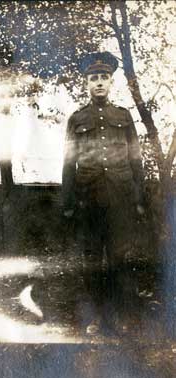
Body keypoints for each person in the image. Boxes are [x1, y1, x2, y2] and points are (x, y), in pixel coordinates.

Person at [62, 51, 145, 334]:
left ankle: (119, 317)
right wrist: (69, 201)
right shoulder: (77, 119)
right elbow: (68, 162)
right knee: (92, 259)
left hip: (120, 198)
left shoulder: (123, 116)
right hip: (89, 199)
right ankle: (96, 317)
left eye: (104, 78)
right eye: (93, 78)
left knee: (120, 259)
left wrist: (139, 198)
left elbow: (135, 159)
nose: (98, 83)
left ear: (111, 83)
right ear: (86, 83)